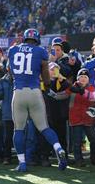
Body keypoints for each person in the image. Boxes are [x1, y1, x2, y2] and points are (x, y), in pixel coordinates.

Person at [8, 28, 67, 172]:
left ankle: (22, 163)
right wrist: (46, 85)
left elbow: (10, 71)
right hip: (35, 91)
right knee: (44, 127)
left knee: (19, 129)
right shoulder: (40, 51)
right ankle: (58, 148)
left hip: (19, 92)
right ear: (37, 39)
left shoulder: (13, 50)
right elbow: (46, 77)